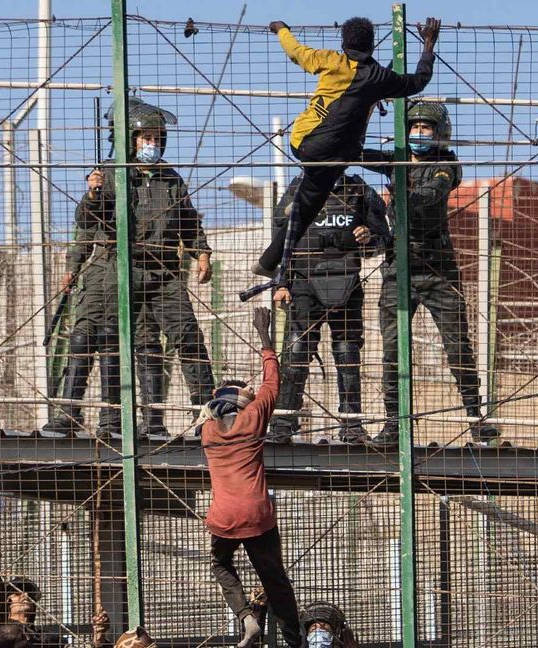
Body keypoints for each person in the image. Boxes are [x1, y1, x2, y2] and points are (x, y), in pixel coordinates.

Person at [43, 97, 216, 439]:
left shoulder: (170, 179)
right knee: (94, 337)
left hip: (162, 272)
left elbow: (188, 222)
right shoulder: (111, 175)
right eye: (144, 137)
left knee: (186, 337)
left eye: (156, 137)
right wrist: (92, 196)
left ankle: (195, 417)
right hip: (115, 269)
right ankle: (72, 416)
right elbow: (87, 224)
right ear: (130, 140)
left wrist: (202, 254)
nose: (151, 144)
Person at [247, 16, 441, 296]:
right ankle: (300, 206)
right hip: (339, 154)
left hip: (303, 143)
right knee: (316, 193)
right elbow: (419, 81)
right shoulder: (380, 77)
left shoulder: (329, 60)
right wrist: (428, 45)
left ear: (343, 42)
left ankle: (268, 260)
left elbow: (295, 51)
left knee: (311, 199)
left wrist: (281, 28)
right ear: (373, 45)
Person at [360, 100, 499, 446]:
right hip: (398, 267)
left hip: (438, 268)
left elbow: (432, 193)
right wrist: (361, 113)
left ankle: (475, 417)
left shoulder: (445, 164)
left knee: (457, 346)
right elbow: (358, 154)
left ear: (439, 134)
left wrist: (403, 195)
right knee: (392, 349)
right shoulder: (395, 160)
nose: (419, 134)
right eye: (414, 128)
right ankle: (393, 424)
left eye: (426, 129)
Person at [200, 307, 301, 648]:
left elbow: (213, 404)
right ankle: (294, 640)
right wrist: (264, 335)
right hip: (258, 515)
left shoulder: (208, 432)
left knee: (221, 565)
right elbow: (272, 381)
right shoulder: (255, 418)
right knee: (275, 580)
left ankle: (245, 618)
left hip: (224, 517)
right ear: (244, 402)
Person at [269, 173, 390, 443]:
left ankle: (351, 425)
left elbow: (383, 238)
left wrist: (368, 237)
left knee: (347, 354)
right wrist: (282, 282)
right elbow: (282, 238)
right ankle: (283, 423)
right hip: (303, 284)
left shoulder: (358, 190)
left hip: (346, 284)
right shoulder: (299, 187)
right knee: (296, 354)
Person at [0, 534, 109, 648]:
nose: (25, 596)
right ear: (7, 601)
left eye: (29, 593)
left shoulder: (47, 640)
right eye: (17, 593)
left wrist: (99, 638)